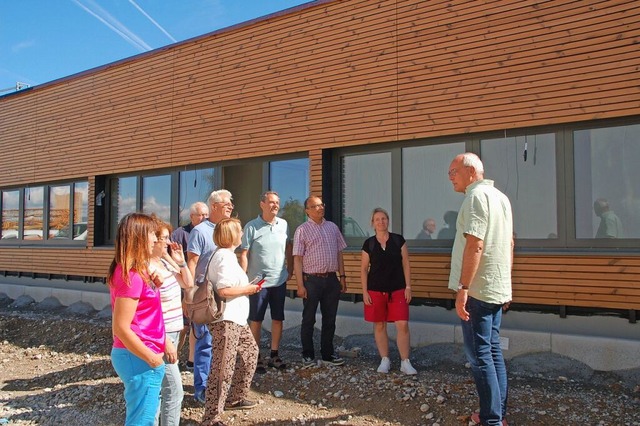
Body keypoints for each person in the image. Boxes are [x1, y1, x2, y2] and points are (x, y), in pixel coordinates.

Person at [447, 153, 513, 426]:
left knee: (480, 357)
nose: (450, 176)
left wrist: (463, 288)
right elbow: (509, 243)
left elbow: (475, 244)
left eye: (454, 171)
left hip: (478, 290)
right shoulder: (501, 198)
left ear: (471, 171)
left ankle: (491, 420)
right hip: (496, 287)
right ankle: (497, 413)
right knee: (493, 352)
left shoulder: (475, 198)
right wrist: (506, 284)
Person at [108, 213, 165, 426]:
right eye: (152, 234)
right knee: (141, 421)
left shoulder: (136, 271)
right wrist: (152, 359)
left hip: (139, 355)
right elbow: (121, 328)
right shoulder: (130, 275)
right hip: (138, 357)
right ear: (139, 237)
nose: (156, 239)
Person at [202, 218, 261, 426]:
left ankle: (235, 397)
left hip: (237, 320)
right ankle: (211, 417)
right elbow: (224, 291)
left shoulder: (227, 256)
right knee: (222, 369)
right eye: (239, 230)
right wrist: (249, 289)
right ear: (230, 234)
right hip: (226, 321)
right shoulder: (224, 257)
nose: (242, 234)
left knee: (250, 354)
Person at [186, 189, 234, 404]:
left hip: (225, 294)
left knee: (223, 342)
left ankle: (218, 385)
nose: (231, 206)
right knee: (205, 342)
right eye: (227, 203)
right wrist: (189, 294)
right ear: (214, 206)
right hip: (205, 296)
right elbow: (192, 263)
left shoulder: (227, 230)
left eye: (231, 203)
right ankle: (202, 389)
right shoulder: (200, 231)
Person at [240, 191, 293, 374]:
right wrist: (244, 277)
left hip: (279, 280)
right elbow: (244, 253)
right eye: (271, 202)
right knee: (256, 320)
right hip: (258, 283)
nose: (275, 205)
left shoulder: (284, 225)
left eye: (277, 202)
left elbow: (288, 248)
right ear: (262, 204)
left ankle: (274, 354)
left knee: (278, 318)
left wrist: (291, 268)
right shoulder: (251, 227)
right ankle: (256, 356)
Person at [360, 207, 417, 375]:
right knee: (379, 325)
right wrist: (364, 292)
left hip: (398, 289)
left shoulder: (398, 240)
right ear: (373, 223)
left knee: (402, 324)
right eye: (377, 219)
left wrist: (408, 286)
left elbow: (406, 263)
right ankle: (385, 359)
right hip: (375, 290)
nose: (381, 221)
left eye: (383, 218)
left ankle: (405, 362)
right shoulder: (369, 244)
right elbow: (363, 269)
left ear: (388, 221)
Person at [293, 196, 347, 368]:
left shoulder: (332, 227)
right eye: (315, 206)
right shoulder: (302, 230)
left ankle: (327, 354)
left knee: (330, 319)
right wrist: (300, 285)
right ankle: (307, 355)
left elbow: (339, 254)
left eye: (321, 204)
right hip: (311, 280)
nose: (320, 208)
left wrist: (342, 277)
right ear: (307, 210)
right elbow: (298, 260)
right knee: (309, 319)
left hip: (331, 279)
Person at [150, 218, 194, 426]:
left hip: (174, 332)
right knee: (174, 391)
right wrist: (164, 341)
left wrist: (179, 260)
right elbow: (151, 309)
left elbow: (188, 283)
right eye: (164, 239)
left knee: (160, 388)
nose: (169, 242)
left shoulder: (165, 261)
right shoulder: (147, 267)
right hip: (161, 336)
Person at [171, 201, 209, 370]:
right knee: (183, 325)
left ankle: (192, 360)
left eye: (206, 215)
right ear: (191, 216)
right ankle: (173, 357)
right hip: (183, 285)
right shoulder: (180, 234)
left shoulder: (210, 232)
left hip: (203, 286)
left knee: (197, 325)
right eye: (200, 215)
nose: (204, 218)